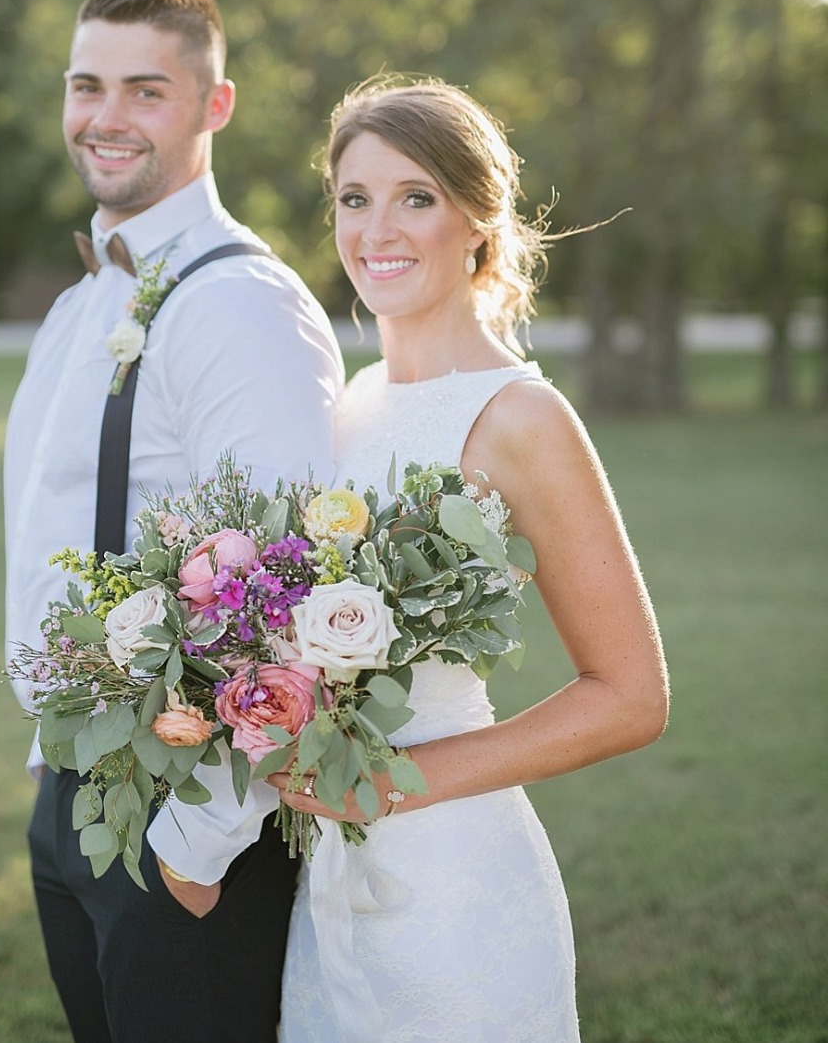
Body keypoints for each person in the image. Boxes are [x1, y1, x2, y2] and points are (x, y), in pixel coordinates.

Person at [267, 78, 669, 1042]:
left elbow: (631, 695)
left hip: (454, 883)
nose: (377, 229)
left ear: (478, 220)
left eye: (416, 197)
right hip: (326, 879)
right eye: (354, 199)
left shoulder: (522, 418)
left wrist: (396, 783)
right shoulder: (352, 403)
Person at [4, 0, 344, 1043]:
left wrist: (195, 850)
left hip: (185, 811)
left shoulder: (236, 304)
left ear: (215, 104)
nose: (104, 117)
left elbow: (293, 592)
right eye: (85, 84)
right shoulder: (80, 304)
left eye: (145, 89)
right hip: (70, 794)